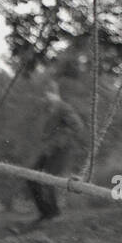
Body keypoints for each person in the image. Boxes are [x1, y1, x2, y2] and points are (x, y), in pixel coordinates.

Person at [26, 83, 87, 224]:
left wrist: (60, 139)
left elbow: (78, 126)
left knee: (48, 179)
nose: (44, 98)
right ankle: (45, 213)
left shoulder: (63, 108)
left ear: (53, 93)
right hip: (48, 149)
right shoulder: (49, 109)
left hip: (61, 149)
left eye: (46, 94)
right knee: (30, 177)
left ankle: (53, 213)